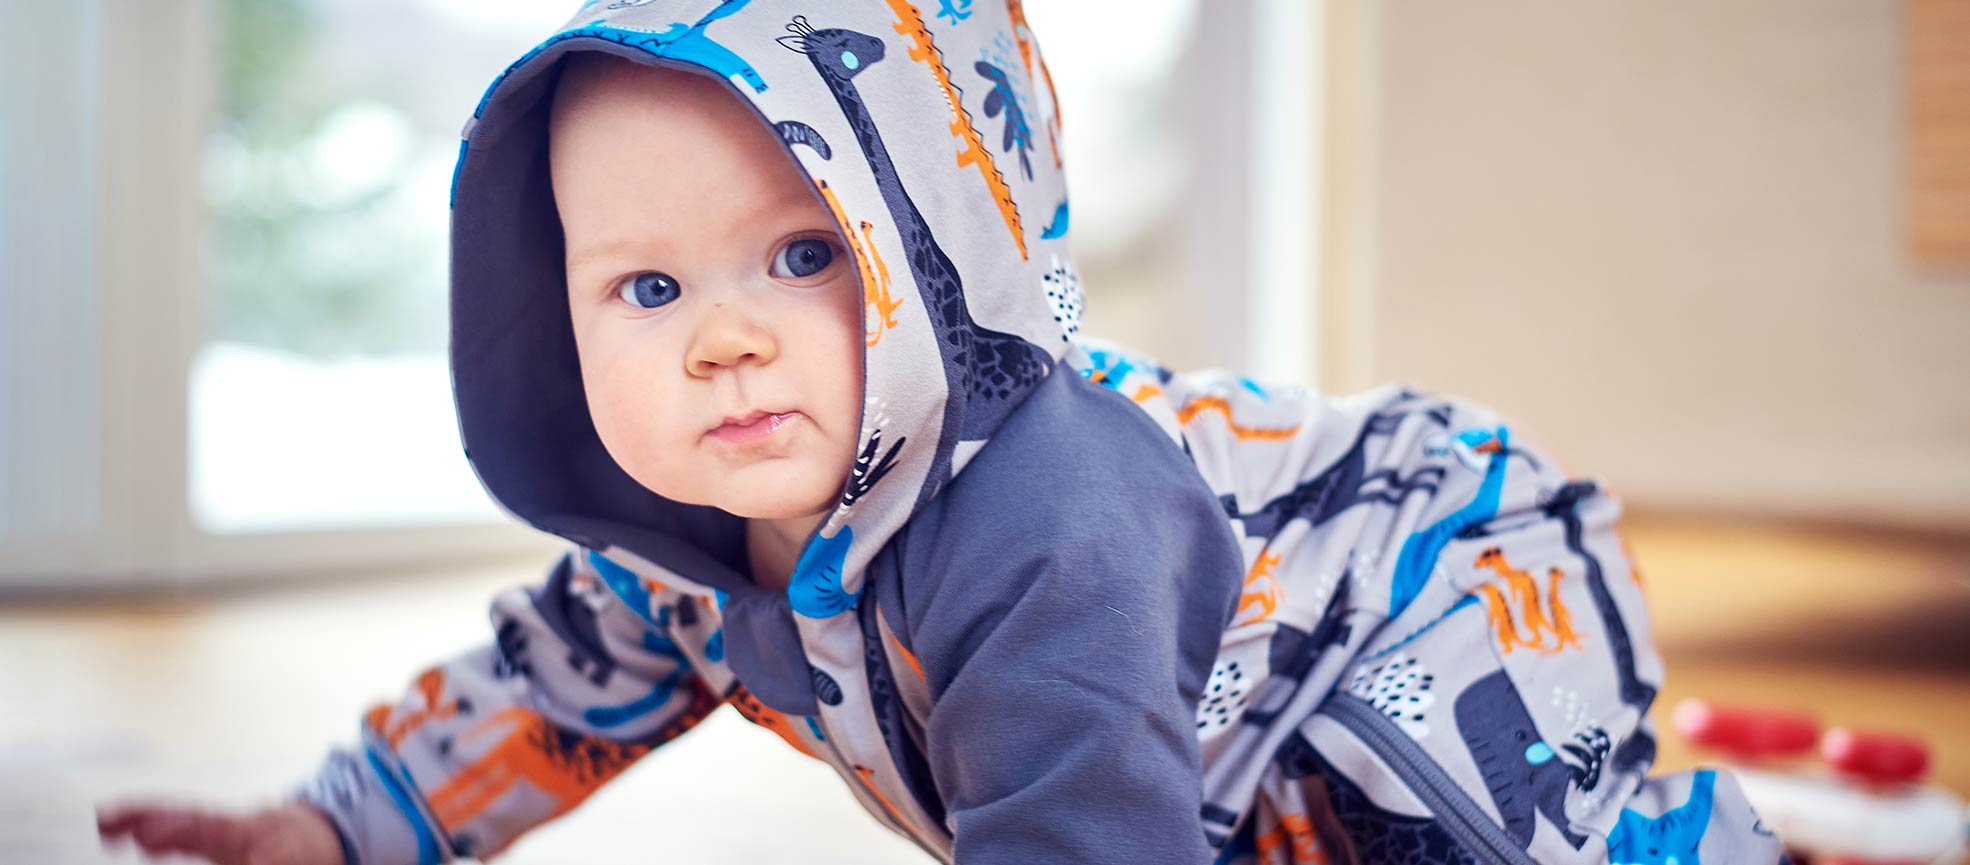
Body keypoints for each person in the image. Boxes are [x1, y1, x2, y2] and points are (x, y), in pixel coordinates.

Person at [97, 2, 1787, 863]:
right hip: (1225, 727)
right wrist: (334, 821)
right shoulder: (670, 535)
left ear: (931, 264)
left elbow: (1077, 822)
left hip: (1432, 577)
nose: (725, 335)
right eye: (645, 287)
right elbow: (545, 689)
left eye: (803, 253)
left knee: (1419, 823)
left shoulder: (1038, 518)